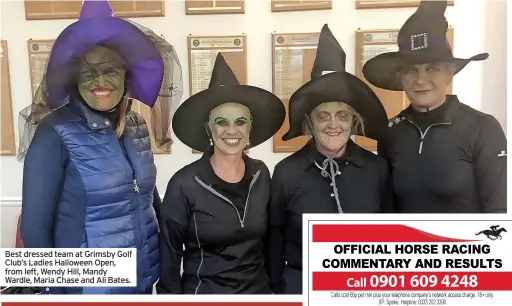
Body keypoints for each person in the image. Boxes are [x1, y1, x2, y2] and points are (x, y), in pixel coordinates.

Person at [18, 0, 183, 294]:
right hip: (88, 290)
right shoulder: (55, 132)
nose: (101, 81)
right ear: (73, 78)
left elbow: (145, 196)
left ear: (127, 75)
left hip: (142, 280)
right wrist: (53, 294)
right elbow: (34, 228)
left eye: (111, 70)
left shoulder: (136, 125)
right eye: (88, 72)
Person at [266, 24, 391, 295]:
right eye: (323, 115)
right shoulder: (286, 172)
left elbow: (389, 233)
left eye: (342, 116)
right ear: (309, 123)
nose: (333, 125)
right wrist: (278, 288)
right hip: (301, 287)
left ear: (354, 122)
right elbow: (275, 234)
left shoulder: (377, 169)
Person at [156, 53, 285, 294]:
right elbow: (170, 253)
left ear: (250, 129)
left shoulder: (261, 174)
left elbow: (270, 242)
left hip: (258, 293)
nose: (232, 130)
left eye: (241, 121)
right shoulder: (185, 183)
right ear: (209, 129)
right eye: (221, 122)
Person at [362, 0, 507, 213]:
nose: (421, 80)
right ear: (401, 78)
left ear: (449, 75)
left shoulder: (482, 128)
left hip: (465, 246)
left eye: (432, 69)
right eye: (411, 70)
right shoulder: (390, 131)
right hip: (406, 246)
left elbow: (499, 209)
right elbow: (387, 208)